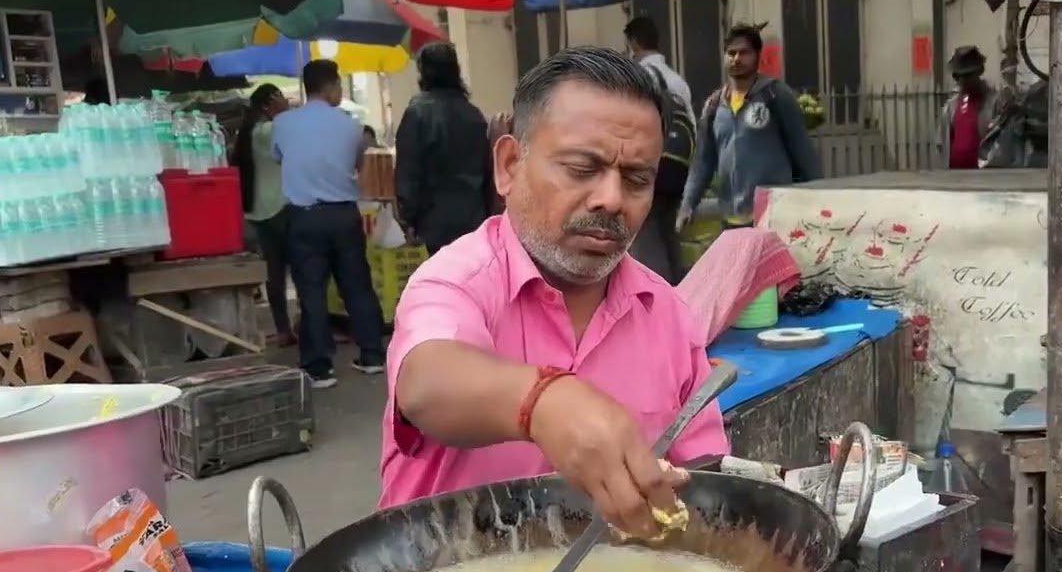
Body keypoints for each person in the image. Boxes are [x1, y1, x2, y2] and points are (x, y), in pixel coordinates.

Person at [379, 46, 730, 538]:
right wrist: (544, 402)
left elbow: (708, 487)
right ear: (508, 165)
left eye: (636, 179)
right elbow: (427, 381)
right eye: (582, 168)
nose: (611, 199)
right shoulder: (455, 281)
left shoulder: (666, 313)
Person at [272, 59, 387, 388]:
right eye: (338, 85)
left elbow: (279, 156)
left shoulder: (283, 123)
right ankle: (372, 355)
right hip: (343, 215)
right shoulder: (350, 125)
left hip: (304, 216)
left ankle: (319, 367)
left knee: (311, 290)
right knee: (357, 285)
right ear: (330, 86)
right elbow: (356, 163)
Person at [678, 23, 822, 231]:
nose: (736, 59)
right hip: (732, 217)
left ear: (757, 55)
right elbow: (703, 161)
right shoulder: (714, 105)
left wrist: (816, 199)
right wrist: (688, 203)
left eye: (744, 53)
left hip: (773, 214)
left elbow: (802, 149)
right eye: (731, 53)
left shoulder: (775, 95)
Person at [394, 42, 494, 254]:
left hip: (435, 218)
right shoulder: (473, 114)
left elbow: (409, 171)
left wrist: (408, 218)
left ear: (423, 72)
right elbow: (487, 170)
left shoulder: (417, 113)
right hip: (474, 217)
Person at [623, 15, 694, 283]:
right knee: (669, 233)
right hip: (679, 166)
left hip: (652, 164)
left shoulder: (637, 76)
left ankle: (660, 298)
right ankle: (683, 294)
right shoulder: (678, 81)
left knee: (647, 233)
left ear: (633, 43)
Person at [233, 83, 295, 347]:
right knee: (302, 269)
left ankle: (283, 329)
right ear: (270, 102)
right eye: (280, 97)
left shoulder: (249, 133)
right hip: (280, 207)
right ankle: (305, 323)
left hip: (258, 212)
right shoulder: (269, 130)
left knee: (275, 273)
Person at [939, 46, 996, 170]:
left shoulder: (994, 103)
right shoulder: (951, 106)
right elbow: (942, 142)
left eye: (967, 75)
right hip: (955, 175)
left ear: (979, 72)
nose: (962, 81)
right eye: (958, 76)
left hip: (983, 177)